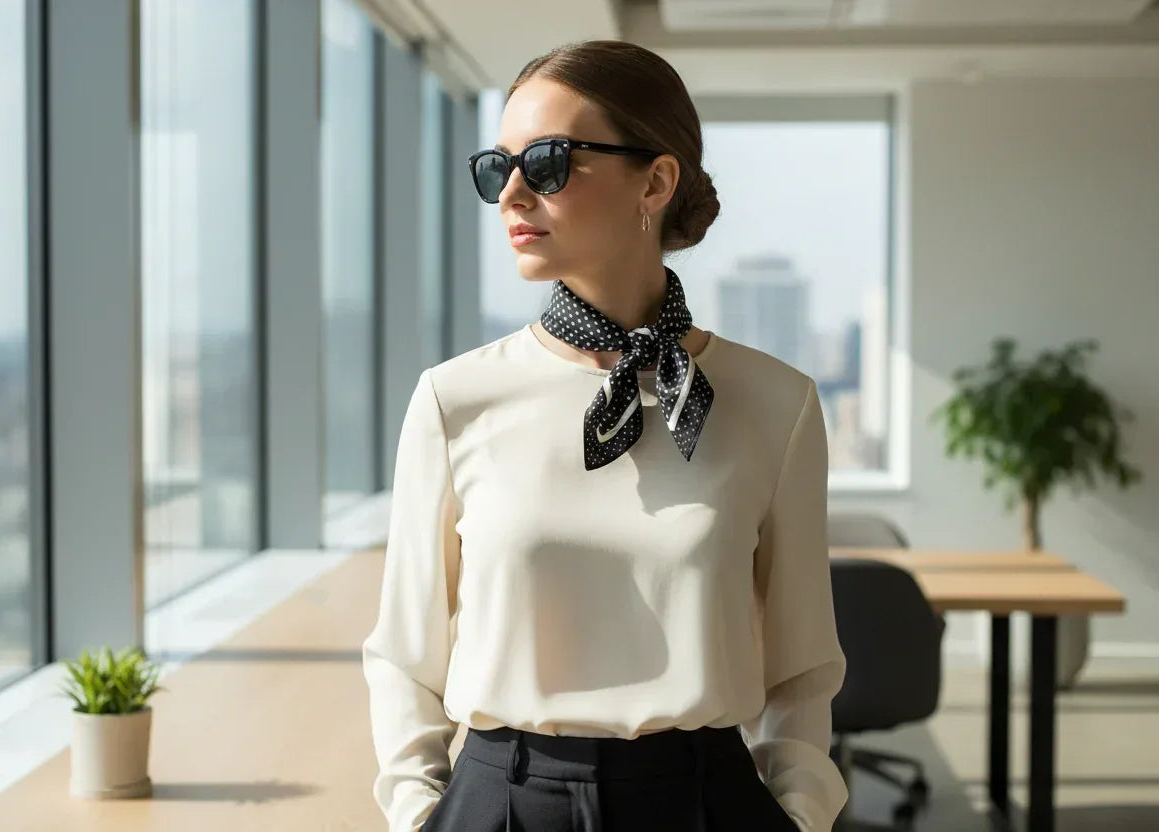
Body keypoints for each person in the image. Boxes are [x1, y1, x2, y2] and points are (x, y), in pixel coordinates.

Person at [361, 38, 848, 832]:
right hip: (504, 799)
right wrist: (419, 815)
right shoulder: (455, 399)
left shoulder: (776, 403)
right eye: (498, 167)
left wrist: (800, 814)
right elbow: (404, 653)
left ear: (655, 182)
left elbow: (802, 665)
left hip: (703, 801)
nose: (514, 194)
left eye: (549, 162)